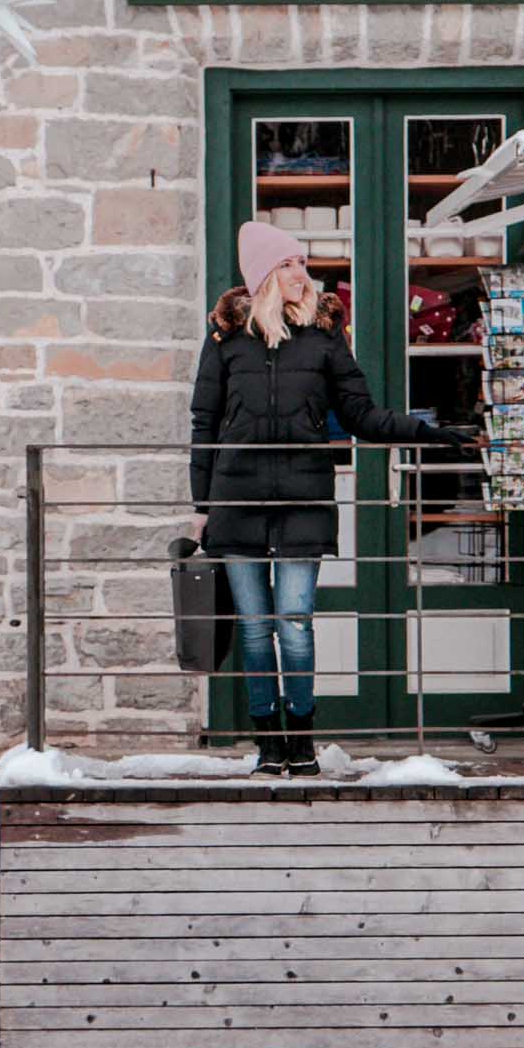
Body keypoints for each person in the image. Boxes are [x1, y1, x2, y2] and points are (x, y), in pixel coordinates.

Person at [190, 220, 470, 776]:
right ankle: (267, 740)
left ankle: (301, 737)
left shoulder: (323, 337)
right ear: (264, 275)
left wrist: (428, 432)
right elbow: (205, 422)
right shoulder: (225, 339)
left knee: (294, 621)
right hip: (236, 501)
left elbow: (362, 415)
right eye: (289, 264)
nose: (302, 274)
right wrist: (200, 507)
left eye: (302, 263)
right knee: (252, 626)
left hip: (304, 498)